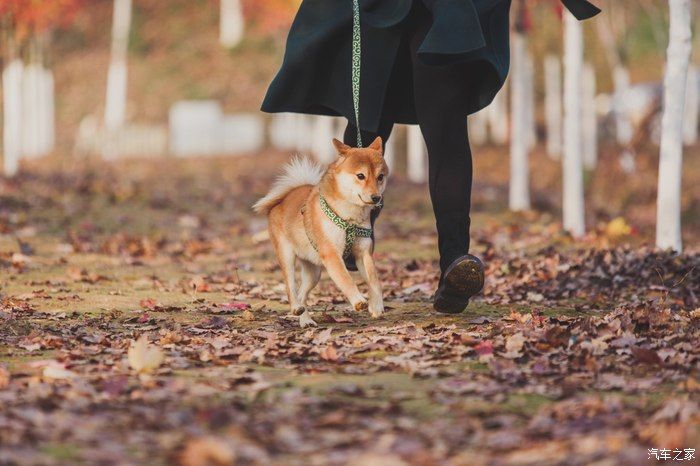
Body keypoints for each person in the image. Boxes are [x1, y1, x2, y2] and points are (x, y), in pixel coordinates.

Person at [261, 0, 600, 314]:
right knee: (392, 122)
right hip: (413, 11)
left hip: (427, 11)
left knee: (401, 121)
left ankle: (450, 263)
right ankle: (390, 242)